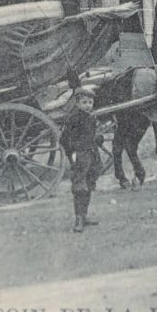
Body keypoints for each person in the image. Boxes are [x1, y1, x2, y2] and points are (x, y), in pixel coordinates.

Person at [60, 86, 103, 233]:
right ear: (77, 103)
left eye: (90, 102)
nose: (87, 105)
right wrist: (72, 153)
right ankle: (78, 218)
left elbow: (94, 134)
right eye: (84, 102)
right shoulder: (73, 119)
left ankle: (84, 215)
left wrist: (98, 139)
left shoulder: (92, 117)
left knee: (90, 182)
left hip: (92, 154)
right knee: (79, 186)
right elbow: (64, 139)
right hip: (80, 155)